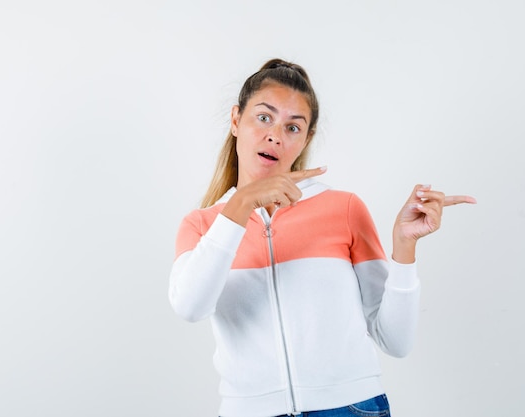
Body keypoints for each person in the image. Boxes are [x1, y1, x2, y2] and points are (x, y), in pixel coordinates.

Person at [168, 58, 476, 417]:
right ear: (236, 120)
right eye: (264, 117)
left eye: (293, 127)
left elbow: (396, 341)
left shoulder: (342, 208)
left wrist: (405, 246)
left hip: (349, 407)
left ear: (306, 139)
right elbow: (190, 308)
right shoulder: (203, 225)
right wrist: (239, 207)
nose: (275, 136)